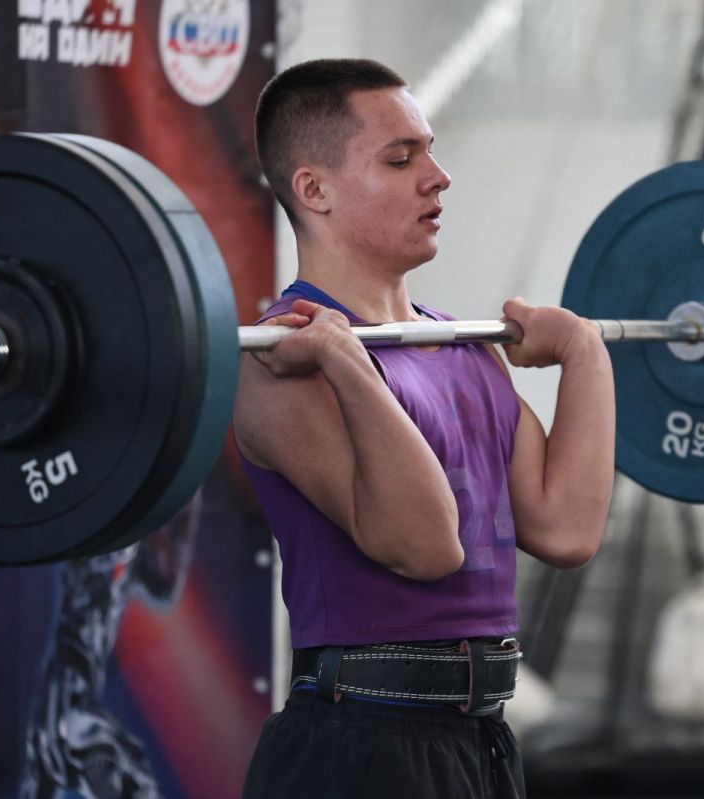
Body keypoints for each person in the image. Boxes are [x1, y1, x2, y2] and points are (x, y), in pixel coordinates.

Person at [234, 58, 615, 798]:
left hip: (481, 740)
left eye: (430, 153)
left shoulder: (466, 348)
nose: (437, 178)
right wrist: (347, 364)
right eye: (400, 159)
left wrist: (584, 352)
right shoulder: (284, 359)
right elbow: (424, 545)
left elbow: (566, 531)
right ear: (314, 190)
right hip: (359, 746)